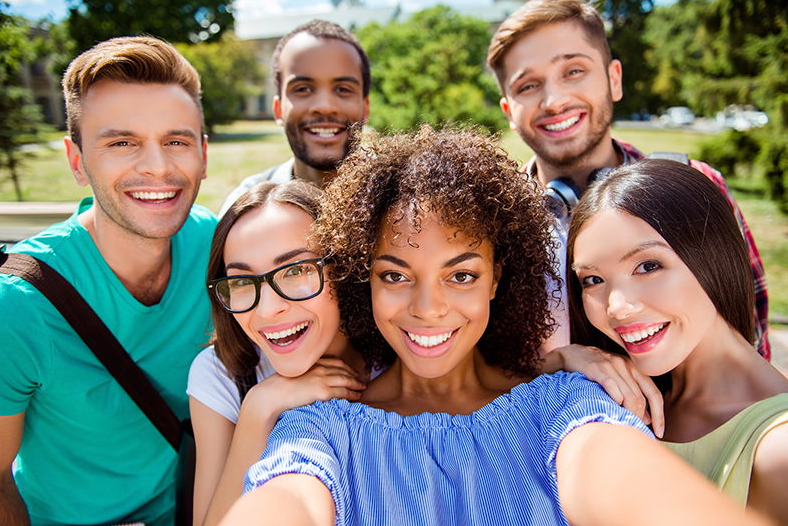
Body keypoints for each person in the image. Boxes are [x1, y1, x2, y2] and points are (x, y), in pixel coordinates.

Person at [220, 126, 773, 526]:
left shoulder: (563, 406)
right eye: (395, 274)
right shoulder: (322, 431)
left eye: (460, 275)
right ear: (365, 280)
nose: (429, 307)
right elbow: (286, 500)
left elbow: (622, 478)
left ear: (496, 278)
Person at [0, 37, 217, 525]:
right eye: (122, 142)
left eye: (176, 141)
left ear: (202, 153)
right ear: (77, 161)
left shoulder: (220, 251)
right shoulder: (14, 306)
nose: (158, 167)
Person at [487, 0, 770, 359]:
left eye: (573, 71)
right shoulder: (493, 221)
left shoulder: (696, 186)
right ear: (510, 111)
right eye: (528, 86)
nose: (554, 100)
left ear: (614, 78)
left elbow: (751, 344)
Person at [567, 159, 788, 525]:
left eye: (648, 266)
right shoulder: (614, 394)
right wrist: (568, 358)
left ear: (715, 256)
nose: (617, 307)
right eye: (592, 280)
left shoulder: (776, 451)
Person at [187, 181, 369, 526]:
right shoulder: (221, 373)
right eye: (241, 282)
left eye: (296, 271)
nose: (268, 309)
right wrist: (259, 409)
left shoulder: (400, 358)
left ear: (343, 269)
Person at [218, 20, 370, 215]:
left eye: (343, 89)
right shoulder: (241, 211)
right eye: (303, 89)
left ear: (365, 108)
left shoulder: (406, 204)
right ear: (278, 108)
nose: (324, 107)